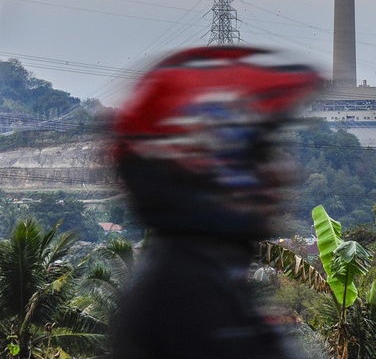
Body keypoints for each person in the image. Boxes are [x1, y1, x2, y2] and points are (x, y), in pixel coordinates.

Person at [107, 46, 320, 359]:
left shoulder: (205, 278)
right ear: (201, 159)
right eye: (260, 153)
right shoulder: (188, 303)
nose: (283, 171)